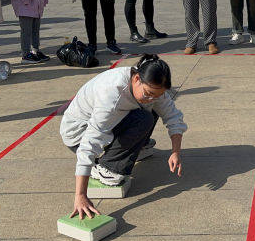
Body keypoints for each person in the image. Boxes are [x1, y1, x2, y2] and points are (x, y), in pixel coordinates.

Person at [61, 54, 187, 219]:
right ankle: (107, 169)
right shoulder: (111, 96)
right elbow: (89, 143)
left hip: (112, 121)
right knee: (144, 118)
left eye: (157, 95)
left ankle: (134, 147)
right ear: (136, 79)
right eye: (148, 93)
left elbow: (173, 117)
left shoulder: (153, 86)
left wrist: (175, 151)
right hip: (78, 134)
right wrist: (80, 196)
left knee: (152, 109)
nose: (152, 98)